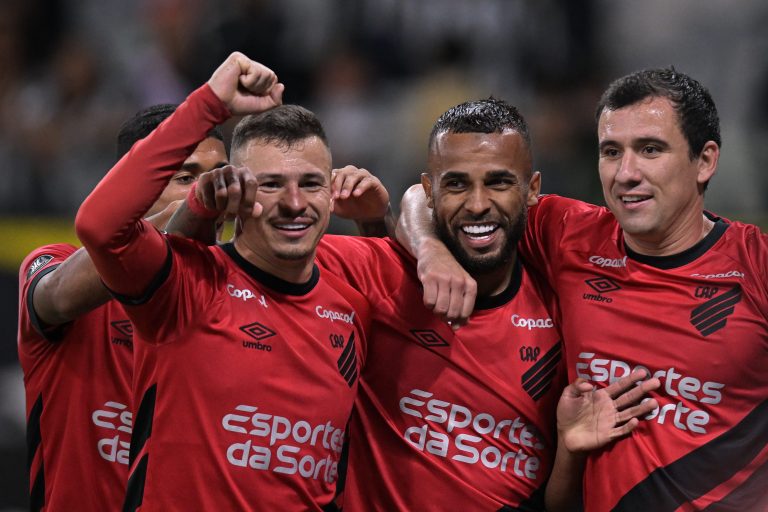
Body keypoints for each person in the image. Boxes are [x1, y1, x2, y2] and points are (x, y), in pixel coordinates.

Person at [187, 97, 660, 510]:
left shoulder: (564, 308)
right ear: (431, 191)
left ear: (532, 189)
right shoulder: (376, 272)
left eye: (498, 182)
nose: (477, 205)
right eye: (455, 185)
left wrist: (571, 454)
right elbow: (231, 261)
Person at [399, 69, 768, 510]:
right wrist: (430, 251)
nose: (626, 173)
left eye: (650, 150)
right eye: (612, 152)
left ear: (705, 161)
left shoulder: (757, 266)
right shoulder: (568, 235)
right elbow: (428, 197)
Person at [75, 52, 370, 511]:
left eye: (311, 183)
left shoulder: (354, 303)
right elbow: (100, 227)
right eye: (270, 184)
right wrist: (210, 104)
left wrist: (391, 218)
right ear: (238, 191)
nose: (295, 203)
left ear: (332, 193)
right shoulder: (187, 283)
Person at [16, 105, 227, 511]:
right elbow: (55, 295)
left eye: (218, 175)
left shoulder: (239, 294)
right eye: (185, 177)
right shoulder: (54, 264)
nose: (209, 192)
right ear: (130, 189)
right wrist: (177, 223)